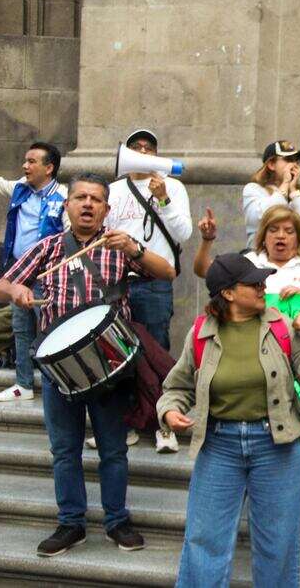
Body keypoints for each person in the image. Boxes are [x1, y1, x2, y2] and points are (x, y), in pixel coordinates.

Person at [0, 172, 175, 557]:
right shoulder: (48, 248)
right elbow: (0, 286)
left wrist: (136, 251)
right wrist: (19, 289)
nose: (88, 204)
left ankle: (117, 520)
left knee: (113, 450)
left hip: (108, 362)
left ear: (107, 209)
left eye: (95, 199)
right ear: (68, 205)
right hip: (59, 368)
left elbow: (167, 272)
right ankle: (70, 523)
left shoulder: (118, 246)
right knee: (65, 450)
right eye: (80, 198)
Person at [157, 252, 300, 587]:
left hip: (276, 444)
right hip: (219, 445)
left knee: (278, 547)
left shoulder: (279, 324)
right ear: (228, 293)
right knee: (203, 542)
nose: (262, 286)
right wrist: (169, 410)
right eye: (252, 282)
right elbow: (177, 386)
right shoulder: (200, 333)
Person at [197, 204, 300, 523]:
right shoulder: (251, 262)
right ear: (264, 233)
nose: (281, 237)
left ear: (298, 236)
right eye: (275, 230)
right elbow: (205, 273)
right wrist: (207, 241)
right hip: (258, 359)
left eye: (289, 231)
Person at [102, 129, 192, 454]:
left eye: (148, 147)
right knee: (120, 352)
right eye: (136, 147)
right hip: (117, 281)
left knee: (157, 348)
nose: (142, 150)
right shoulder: (112, 190)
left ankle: (163, 423)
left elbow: (184, 232)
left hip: (154, 280)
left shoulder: (174, 187)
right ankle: (129, 419)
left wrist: (164, 198)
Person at [0, 142, 66, 403]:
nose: (25, 166)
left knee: (52, 331)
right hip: (19, 273)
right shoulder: (20, 189)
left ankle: (58, 385)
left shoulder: (64, 197)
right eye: (25, 160)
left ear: (49, 167)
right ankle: (23, 383)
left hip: (48, 276)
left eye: (32, 161)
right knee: (21, 329)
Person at [243, 141, 300, 247]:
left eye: (297, 160)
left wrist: (294, 192)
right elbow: (256, 219)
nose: (294, 164)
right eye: (289, 160)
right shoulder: (254, 189)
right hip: (261, 260)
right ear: (271, 164)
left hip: (299, 261)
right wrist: (284, 185)